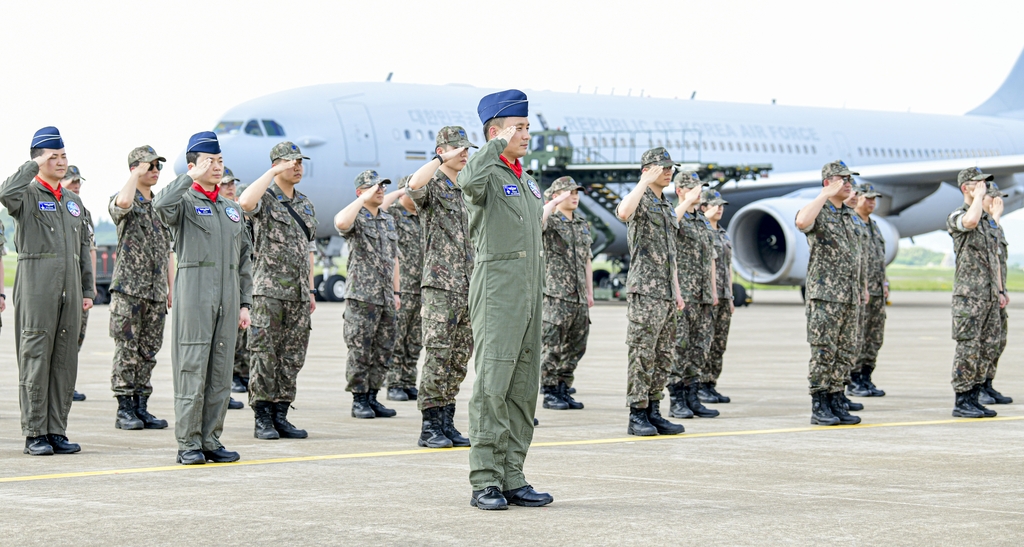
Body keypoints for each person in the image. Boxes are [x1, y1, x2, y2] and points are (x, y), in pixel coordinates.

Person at [462, 90, 552, 510]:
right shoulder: (488, 173)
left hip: (529, 293)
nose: (526, 134)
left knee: (522, 388)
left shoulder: (527, 180)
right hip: (497, 291)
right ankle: (485, 480)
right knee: (492, 388)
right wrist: (494, 145)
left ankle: (512, 474)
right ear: (495, 132)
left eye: (528, 127)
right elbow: (468, 182)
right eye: (519, 127)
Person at [154, 131, 252, 464]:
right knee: (192, 370)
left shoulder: (231, 210)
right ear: (194, 165)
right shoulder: (183, 201)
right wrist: (188, 177)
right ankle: (189, 443)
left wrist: (245, 302)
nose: (216, 167)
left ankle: (211, 439)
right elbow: (159, 205)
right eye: (209, 161)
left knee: (220, 373)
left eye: (220, 161)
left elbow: (244, 259)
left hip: (228, 297)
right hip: (195, 294)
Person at [0, 126, 94, 456]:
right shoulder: (26, 194)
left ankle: (56, 430)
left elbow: (83, 247)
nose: (60, 161)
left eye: (63, 155)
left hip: (70, 290)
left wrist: (88, 289)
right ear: (38, 159)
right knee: (36, 359)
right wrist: (31, 165)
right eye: (52, 156)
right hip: (37, 285)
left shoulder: (73, 202)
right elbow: (5, 193)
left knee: (64, 362)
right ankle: (34, 432)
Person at [238, 142, 318, 440]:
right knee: (264, 355)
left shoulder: (306, 204)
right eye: (290, 162)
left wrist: (310, 289)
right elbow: (245, 203)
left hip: (298, 294)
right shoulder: (266, 198)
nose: (297, 166)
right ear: (276, 164)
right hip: (268, 292)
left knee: (292, 356)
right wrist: (272, 172)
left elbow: (307, 247)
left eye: (300, 162)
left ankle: (281, 414)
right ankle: (262, 417)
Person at [406, 126, 477, 450]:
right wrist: (438, 159)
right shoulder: (432, 185)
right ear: (443, 150)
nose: (465, 153)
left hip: (470, 285)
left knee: (459, 357)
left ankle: (447, 420)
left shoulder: (467, 188)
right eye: (458, 148)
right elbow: (413, 186)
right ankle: (430, 424)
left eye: (467, 148)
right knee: (438, 355)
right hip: (441, 285)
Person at [614, 147, 686, 438]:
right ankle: (637, 413)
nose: (669, 172)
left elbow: (672, 255)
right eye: (663, 168)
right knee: (642, 353)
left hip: (667, 292)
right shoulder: (641, 199)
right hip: (645, 290)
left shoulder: (666, 205)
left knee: (663, 354)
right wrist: (644, 181)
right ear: (647, 170)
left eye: (671, 168)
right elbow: (623, 212)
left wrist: (677, 292)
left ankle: (654, 410)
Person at [793, 160, 865, 426]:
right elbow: (802, 222)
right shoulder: (819, 211)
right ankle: (819, 404)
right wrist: (823, 194)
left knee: (845, 351)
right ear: (827, 182)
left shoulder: (849, 216)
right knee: (824, 351)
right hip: (825, 295)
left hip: (849, 296)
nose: (848, 184)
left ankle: (837, 398)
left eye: (849, 179)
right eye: (841, 179)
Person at [108, 146, 175, 430]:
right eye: (149, 166)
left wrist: (170, 289)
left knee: (149, 350)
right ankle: (124, 409)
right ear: (135, 169)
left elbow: (169, 251)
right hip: (129, 290)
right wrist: (135, 174)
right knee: (127, 349)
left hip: (156, 292)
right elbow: (122, 204)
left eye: (158, 165)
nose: (155, 170)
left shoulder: (161, 206)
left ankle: (141, 406)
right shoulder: (124, 198)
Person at [333, 170, 399, 420]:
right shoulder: (356, 215)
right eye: (374, 187)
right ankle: (359, 399)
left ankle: (373, 396)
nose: (380, 190)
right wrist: (363, 198)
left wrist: (396, 291)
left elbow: (394, 258)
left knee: (384, 349)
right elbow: (340, 223)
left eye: (382, 186)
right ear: (360, 192)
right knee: (360, 349)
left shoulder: (387, 219)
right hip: (362, 296)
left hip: (385, 296)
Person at [945, 168, 1005, 418]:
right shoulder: (958, 216)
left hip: (990, 295)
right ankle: (962, 400)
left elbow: (996, 255)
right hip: (969, 297)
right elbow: (969, 222)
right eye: (977, 184)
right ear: (965, 188)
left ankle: (974, 395)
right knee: (968, 348)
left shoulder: (988, 222)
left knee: (986, 347)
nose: (983, 187)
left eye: (985, 183)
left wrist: (1000, 290)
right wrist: (979, 199)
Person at [668, 171, 720, 419]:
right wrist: (677, 291)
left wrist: (713, 291)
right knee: (681, 347)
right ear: (680, 190)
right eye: (693, 188)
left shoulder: (701, 220)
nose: (699, 193)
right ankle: (677, 398)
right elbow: (670, 231)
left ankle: (692, 395)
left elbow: (711, 258)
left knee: (700, 347)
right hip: (684, 294)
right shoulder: (674, 214)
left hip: (703, 296)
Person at [539, 176, 593, 410]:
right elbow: (536, 222)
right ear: (555, 196)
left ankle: (563, 387)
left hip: (579, 295)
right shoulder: (550, 219)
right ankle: (550, 391)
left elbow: (587, 260)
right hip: (555, 295)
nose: (574, 196)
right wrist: (551, 202)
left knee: (576, 346)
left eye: (576, 192)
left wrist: (590, 293)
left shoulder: (581, 223)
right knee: (552, 346)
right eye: (568, 192)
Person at [383, 175, 423, 403]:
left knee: (416, 338)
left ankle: (408, 381)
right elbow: (378, 209)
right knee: (398, 338)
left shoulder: (424, 216)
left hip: (423, 286)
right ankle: (395, 383)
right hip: (403, 287)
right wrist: (397, 194)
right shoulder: (394, 215)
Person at [847, 183, 888, 398]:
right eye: (868, 198)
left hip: (876, 291)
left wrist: (885, 283)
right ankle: (853, 378)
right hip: (860, 291)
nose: (871, 202)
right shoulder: (852, 224)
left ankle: (866, 376)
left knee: (874, 336)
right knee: (857, 336)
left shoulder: (874, 226)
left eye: (874, 199)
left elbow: (879, 259)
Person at [59, 165, 93, 403]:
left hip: (80, 285)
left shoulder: (83, 211)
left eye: (78, 181)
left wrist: (88, 288)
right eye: (71, 181)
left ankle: (68, 385)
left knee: (75, 339)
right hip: (59, 285)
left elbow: (89, 248)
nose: (76, 184)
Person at [980, 183, 1013, 405]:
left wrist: (1002, 290)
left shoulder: (994, 226)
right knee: (981, 343)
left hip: (996, 292)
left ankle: (987, 384)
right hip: (980, 294)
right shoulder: (979, 224)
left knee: (997, 341)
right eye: (994, 198)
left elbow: (999, 260)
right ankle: (977, 386)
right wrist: (995, 218)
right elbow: (989, 251)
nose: (998, 202)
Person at [701, 189, 734, 403]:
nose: (720, 208)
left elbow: (728, 266)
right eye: (715, 205)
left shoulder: (723, 233)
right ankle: (699, 384)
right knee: (705, 340)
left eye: (722, 205)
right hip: (707, 295)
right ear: (703, 207)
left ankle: (711, 383)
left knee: (719, 342)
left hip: (723, 295)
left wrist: (730, 297)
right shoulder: (701, 232)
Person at [218, 168, 246, 410]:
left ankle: (224, 393)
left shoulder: (238, 214)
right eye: (225, 183)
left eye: (232, 183)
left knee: (230, 347)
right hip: (215, 290)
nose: (230, 187)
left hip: (236, 288)